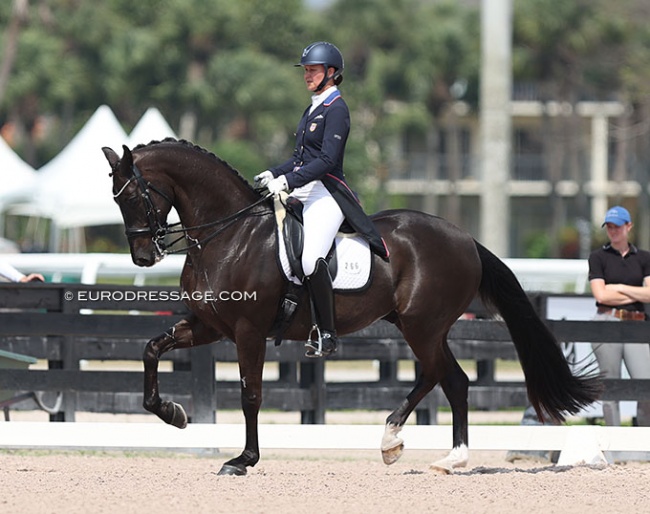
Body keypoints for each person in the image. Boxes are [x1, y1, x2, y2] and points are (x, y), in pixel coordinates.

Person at [255, 41, 389, 358]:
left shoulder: (337, 109)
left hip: (327, 193)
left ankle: (327, 333)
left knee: (310, 256)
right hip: (305, 187)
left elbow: (327, 161)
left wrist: (287, 180)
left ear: (331, 73)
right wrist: (273, 173)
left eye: (312, 70)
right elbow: (300, 158)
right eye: (305, 70)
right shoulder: (313, 107)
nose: (307, 75)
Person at [588, 205, 650, 427]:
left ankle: (643, 446)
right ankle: (613, 444)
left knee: (645, 386)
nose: (613, 231)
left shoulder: (644, 257)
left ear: (628, 226)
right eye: (610, 227)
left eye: (618, 227)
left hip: (636, 324)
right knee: (610, 387)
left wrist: (620, 287)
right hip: (607, 320)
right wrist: (635, 294)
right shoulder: (598, 257)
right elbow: (601, 295)